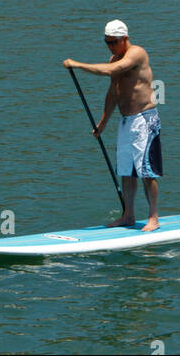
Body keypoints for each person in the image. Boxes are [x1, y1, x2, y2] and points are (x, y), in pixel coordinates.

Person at [63, 20, 162, 232]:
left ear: (124, 38)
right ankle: (128, 215)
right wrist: (102, 123)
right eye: (106, 42)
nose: (110, 46)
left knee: (146, 171)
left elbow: (112, 70)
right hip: (125, 120)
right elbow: (113, 93)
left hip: (144, 119)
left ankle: (153, 217)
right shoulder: (114, 58)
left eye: (113, 42)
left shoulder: (137, 54)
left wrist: (78, 65)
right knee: (126, 170)